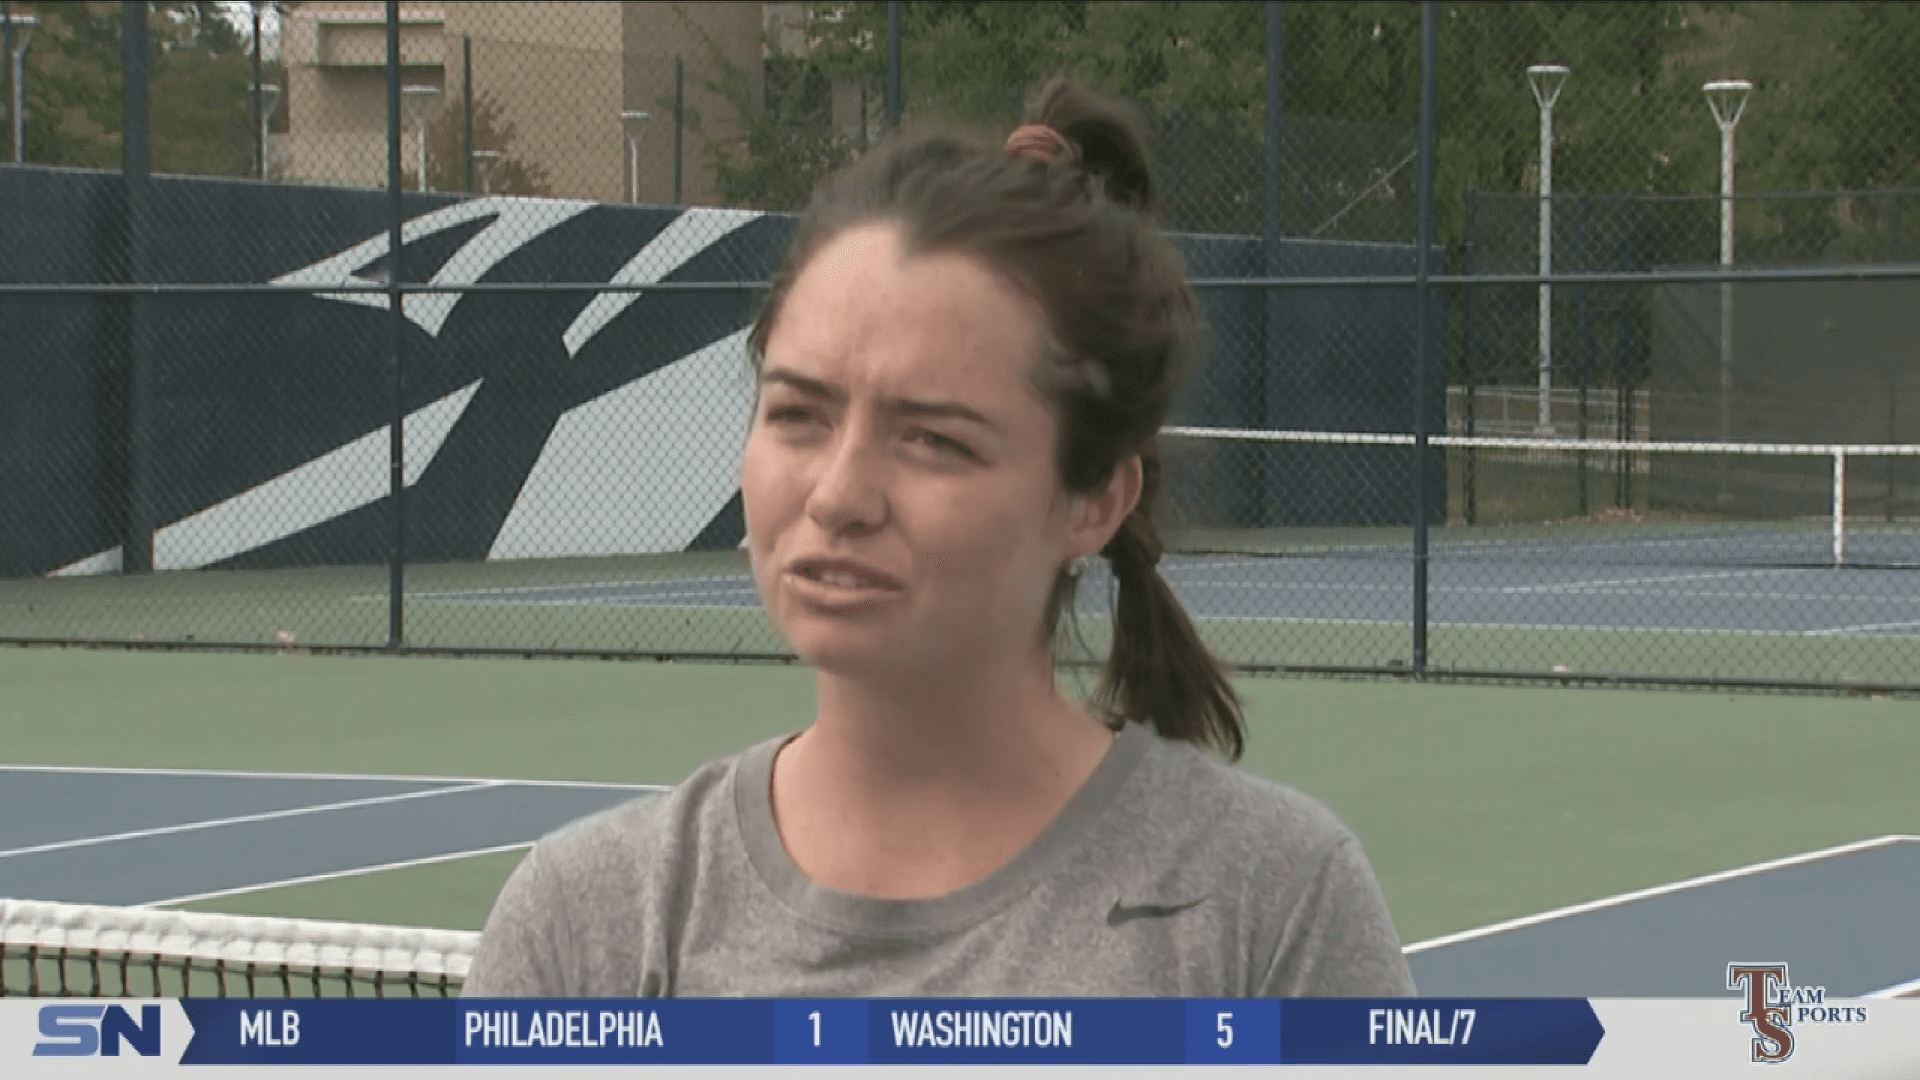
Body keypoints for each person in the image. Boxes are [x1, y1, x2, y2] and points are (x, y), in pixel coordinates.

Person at [463, 77, 1414, 999]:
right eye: (797, 414)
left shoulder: (1276, 907)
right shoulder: (582, 923)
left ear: (1093, 499)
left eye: (932, 439)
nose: (838, 496)